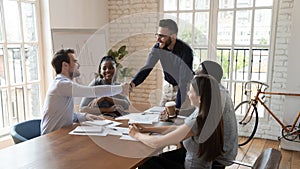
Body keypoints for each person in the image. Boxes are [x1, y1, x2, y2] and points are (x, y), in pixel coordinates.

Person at [129, 75, 224, 169]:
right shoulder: (207, 113)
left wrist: (136, 134)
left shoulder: (197, 120)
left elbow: (156, 143)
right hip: (200, 163)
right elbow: (179, 129)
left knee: (146, 162)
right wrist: (147, 129)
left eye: (190, 91)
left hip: (191, 166)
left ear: (200, 98)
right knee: (155, 159)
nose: (187, 94)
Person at [41, 49, 129, 135]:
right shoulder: (61, 84)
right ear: (65, 65)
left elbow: (67, 115)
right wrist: (121, 88)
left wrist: (85, 116)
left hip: (61, 134)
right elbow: (92, 91)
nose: (78, 65)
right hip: (51, 137)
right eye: (75, 62)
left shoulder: (64, 85)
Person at [129, 19, 194, 116]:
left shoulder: (186, 51)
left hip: (184, 88)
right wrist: (132, 84)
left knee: (180, 119)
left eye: (162, 36)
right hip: (168, 87)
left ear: (173, 36)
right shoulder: (158, 48)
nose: (158, 39)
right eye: (157, 35)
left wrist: (177, 107)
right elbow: (147, 67)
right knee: (161, 117)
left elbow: (183, 81)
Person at [195, 60, 238, 169]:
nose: (195, 77)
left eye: (198, 74)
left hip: (219, 156)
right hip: (222, 149)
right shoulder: (218, 90)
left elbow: (198, 122)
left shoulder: (216, 95)